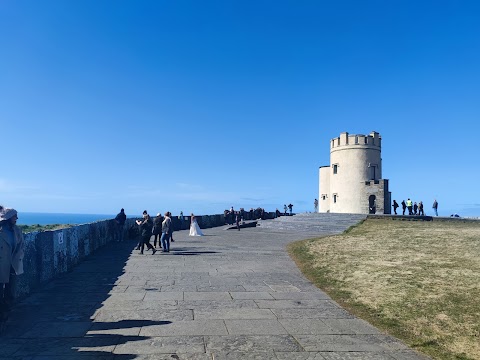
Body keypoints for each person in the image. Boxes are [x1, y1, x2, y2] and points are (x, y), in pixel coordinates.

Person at [0, 206, 25, 329]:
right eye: (14, 216)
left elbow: (21, 246)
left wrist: (19, 257)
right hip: (1, 265)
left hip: (12, 265)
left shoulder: (17, 230)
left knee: (11, 293)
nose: (17, 218)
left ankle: (5, 315)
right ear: (8, 218)